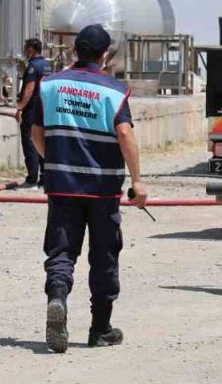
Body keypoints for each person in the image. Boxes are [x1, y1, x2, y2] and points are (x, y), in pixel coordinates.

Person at [31, 24, 144, 353]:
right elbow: (125, 135)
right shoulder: (114, 90)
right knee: (104, 255)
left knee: (62, 251)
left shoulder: (50, 85)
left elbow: (36, 132)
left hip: (62, 185)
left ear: (75, 51)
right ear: (105, 54)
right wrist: (137, 181)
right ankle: (99, 328)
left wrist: (53, 160)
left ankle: (57, 297)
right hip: (102, 189)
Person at [14, 38, 53, 187]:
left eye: (25, 47)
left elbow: (30, 89)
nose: (24, 50)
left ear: (31, 49)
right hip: (46, 106)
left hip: (33, 108)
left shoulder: (32, 66)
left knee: (30, 141)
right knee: (43, 140)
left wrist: (20, 108)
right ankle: (45, 177)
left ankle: (31, 177)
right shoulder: (48, 65)